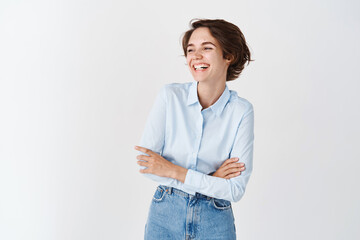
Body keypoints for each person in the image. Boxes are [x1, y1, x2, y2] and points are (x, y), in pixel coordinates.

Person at [135, 18, 254, 240]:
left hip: (215, 219)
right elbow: (148, 165)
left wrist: (174, 171)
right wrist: (213, 178)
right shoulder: (169, 97)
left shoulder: (241, 112)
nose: (196, 56)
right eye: (191, 50)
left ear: (229, 56)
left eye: (207, 48)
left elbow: (235, 190)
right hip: (165, 216)